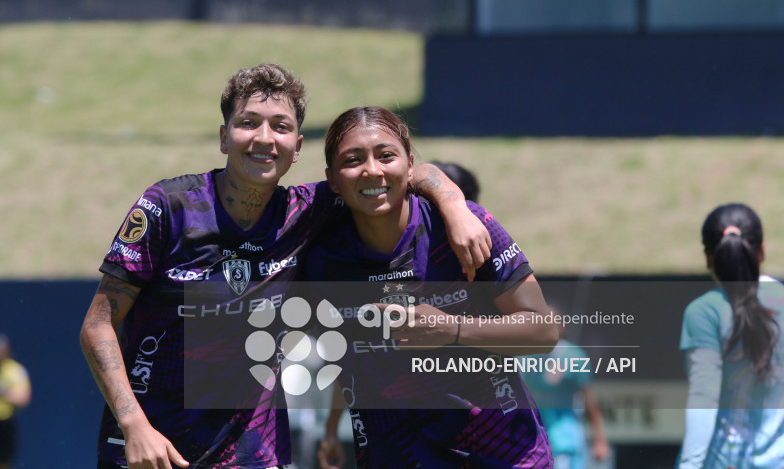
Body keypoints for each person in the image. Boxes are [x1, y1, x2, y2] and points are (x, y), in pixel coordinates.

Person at [79, 64, 492, 469]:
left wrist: (455, 205)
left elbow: (395, 170)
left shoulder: (309, 212)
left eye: (280, 126)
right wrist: (134, 424)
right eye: (248, 123)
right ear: (225, 138)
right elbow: (97, 326)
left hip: (252, 454)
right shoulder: (168, 208)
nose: (264, 138)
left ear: (297, 148)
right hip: (152, 448)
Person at [310, 106, 558, 468]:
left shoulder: (466, 228)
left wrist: (452, 329)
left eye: (385, 155)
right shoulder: (318, 255)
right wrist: (331, 429)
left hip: (504, 454)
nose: (372, 170)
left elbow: (544, 331)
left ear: (409, 165)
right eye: (353, 159)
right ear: (332, 179)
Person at [677, 203, 784, 469]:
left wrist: (689, 465)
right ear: (761, 251)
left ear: (708, 257)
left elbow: (704, 397)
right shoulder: (780, 299)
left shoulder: (704, 311)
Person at [522, 306, 611, 469]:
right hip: (534, 442)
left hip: (564, 441)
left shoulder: (574, 356)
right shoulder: (526, 355)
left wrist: (600, 440)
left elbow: (590, 400)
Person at [0, 335, 31, 469]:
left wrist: (4, 392)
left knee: (4, 461)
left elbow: (23, 397)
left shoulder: (15, 371)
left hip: (4, 425)